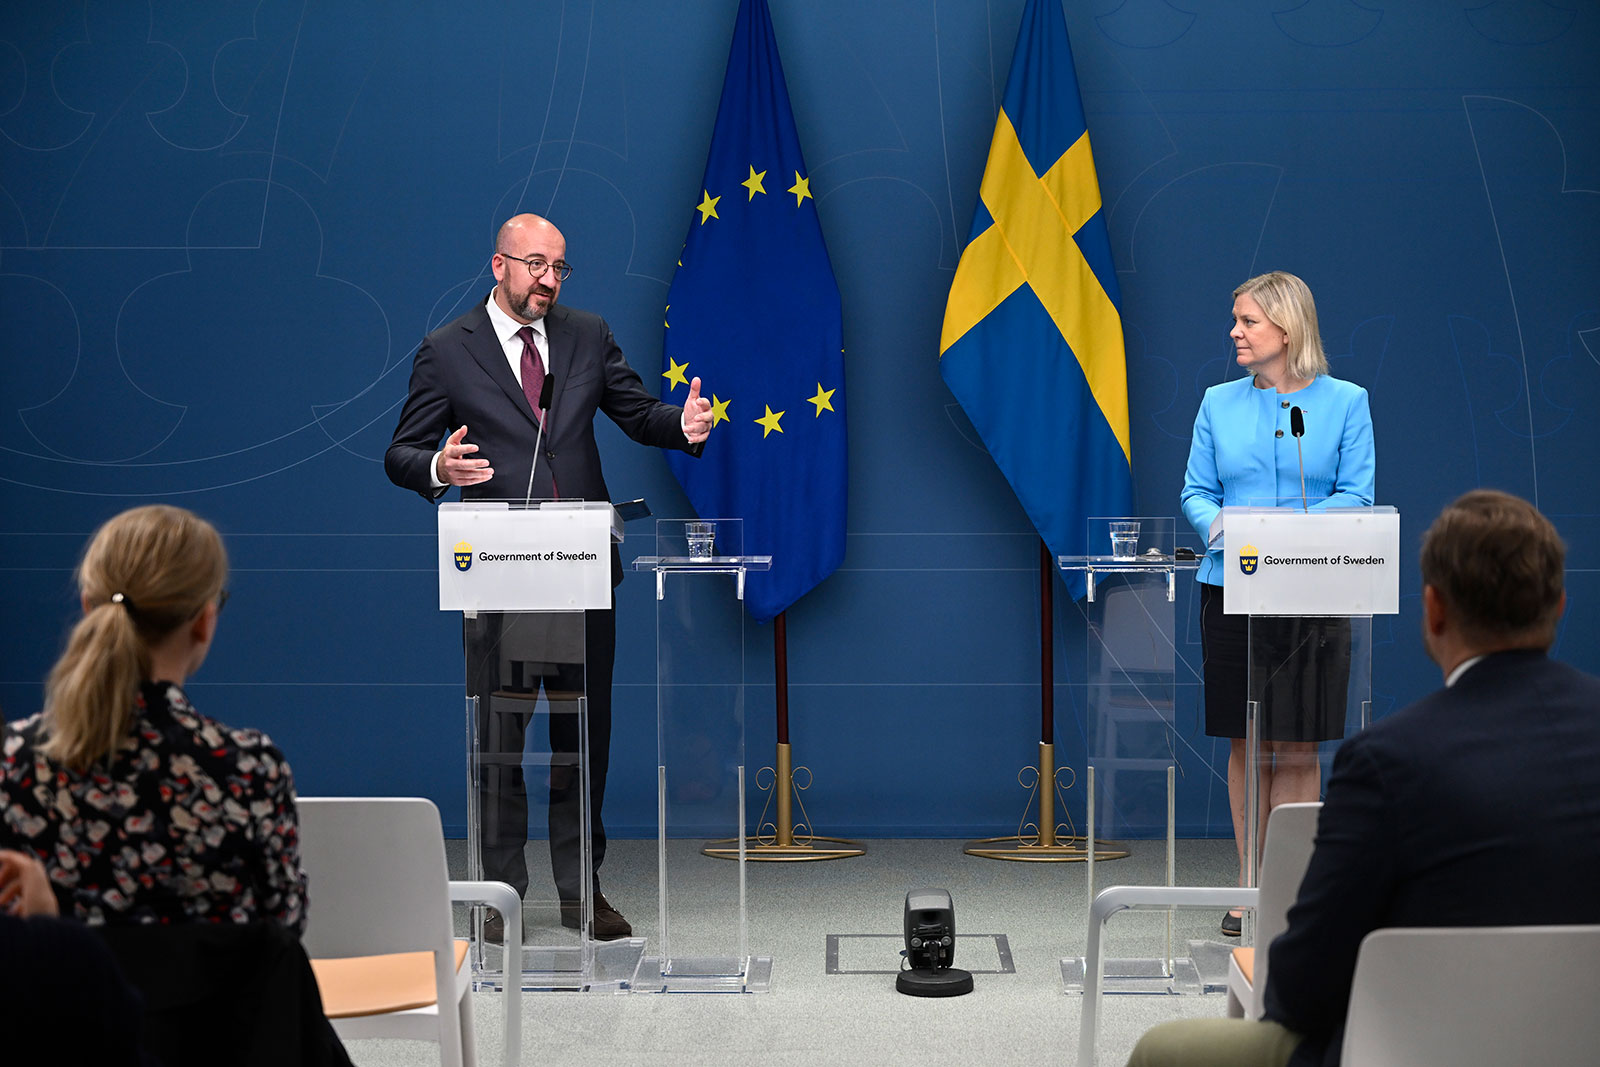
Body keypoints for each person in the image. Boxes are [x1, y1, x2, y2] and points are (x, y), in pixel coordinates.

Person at [1127, 489, 1600, 1067]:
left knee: (1163, 1051)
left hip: (1411, 1047)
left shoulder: (1386, 763)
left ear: (1433, 610)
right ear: (1559, 605)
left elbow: (1299, 990)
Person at [386, 213, 714, 940]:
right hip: (496, 579)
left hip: (583, 570)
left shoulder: (585, 334)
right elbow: (401, 452)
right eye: (535, 264)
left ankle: (580, 892)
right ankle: (500, 893)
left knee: (582, 738)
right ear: (497, 265)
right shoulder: (447, 351)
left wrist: (681, 424)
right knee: (498, 737)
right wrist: (440, 467)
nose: (548, 280)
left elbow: (635, 411)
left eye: (559, 267)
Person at [0, 504, 306, 930]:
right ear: (204, 620)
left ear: (90, 606)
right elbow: (283, 933)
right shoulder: (250, 769)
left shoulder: (14, 760)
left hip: (64, 996)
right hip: (219, 998)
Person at [1180, 271, 1375, 935]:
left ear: (1286, 330)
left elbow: (1357, 496)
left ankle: (1292, 889)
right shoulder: (1217, 402)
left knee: (1297, 743)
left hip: (1313, 589)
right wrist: (1233, 526)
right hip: (1231, 587)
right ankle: (1249, 883)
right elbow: (1196, 494)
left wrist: (1281, 529)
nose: (1234, 331)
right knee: (1248, 739)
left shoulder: (1347, 402)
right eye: (1235, 319)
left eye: (1247, 321)